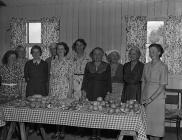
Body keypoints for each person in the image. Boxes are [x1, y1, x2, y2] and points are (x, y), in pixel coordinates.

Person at [81, 47, 112, 140]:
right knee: (91, 112)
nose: (97, 56)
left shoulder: (107, 65)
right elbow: (85, 78)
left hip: (101, 91)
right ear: (92, 55)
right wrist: (83, 90)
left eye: (99, 54)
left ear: (102, 55)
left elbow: (108, 80)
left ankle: (98, 134)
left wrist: (108, 93)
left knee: (100, 112)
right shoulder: (88, 65)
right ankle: (92, 134)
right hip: (90, 91)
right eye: (95, 54)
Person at [141, 44, 168, 140]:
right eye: (150, 51)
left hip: (157, 99)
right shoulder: (146, 65)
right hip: (146, 97)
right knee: (148, 125)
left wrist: (150, 99)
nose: (151, 53)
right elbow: (143, 82)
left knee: (156, 126)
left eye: (153, 51)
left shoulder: (163, 67)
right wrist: (142, 97)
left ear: (159, 53)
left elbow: (162, 86)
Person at [0, 50, 24, 140]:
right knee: (3, 115)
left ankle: (12, 133)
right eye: (10, 57)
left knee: (14, 115)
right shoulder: (2, 68)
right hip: (3, 94)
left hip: (14, 93)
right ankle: (4, 133)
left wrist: (20, 93)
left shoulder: (18, 68)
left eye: (14, 58)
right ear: (7, 58)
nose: (12, 59)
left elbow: (20, 82)